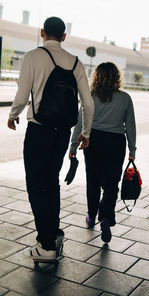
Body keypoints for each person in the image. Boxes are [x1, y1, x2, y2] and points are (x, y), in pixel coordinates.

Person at [7, 16, 94, 261]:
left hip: (39, 130)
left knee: (36, 185)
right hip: (62, 132)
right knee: (51, 182)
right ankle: (52, 233)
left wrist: (13, 115)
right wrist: (85, 133)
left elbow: (23, 94)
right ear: (64, 36)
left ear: (43, 32)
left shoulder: (33, 57)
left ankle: (46, 246)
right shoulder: (76, 62)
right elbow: (87, 102)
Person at [69, 62, 136, 243]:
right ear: (117, 77)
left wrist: (73, 146)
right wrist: (132, 149)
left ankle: (91, 216)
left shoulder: (91, 97)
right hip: (116, 142)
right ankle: (106, 216)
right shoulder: (125, 98)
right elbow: (130, 126)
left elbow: (80, 122)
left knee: (93, 179)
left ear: (96, 77)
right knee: (112, 182)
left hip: (94, 141)